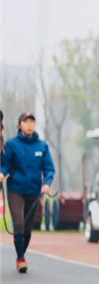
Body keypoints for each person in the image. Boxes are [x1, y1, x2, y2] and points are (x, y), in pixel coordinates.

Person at [0, 113, 55, 273]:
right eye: (26, 122)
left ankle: (21, 255)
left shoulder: (42, 146)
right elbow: (5, 164)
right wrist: (2, 173)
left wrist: (47, 183)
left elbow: (49, 168)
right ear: (19, 126)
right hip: (15, 189)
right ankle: (21, 258)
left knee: (28, 228)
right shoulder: (11, 145)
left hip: (33, 190)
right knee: (18, 224)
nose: (29, 125)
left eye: (32, 122)